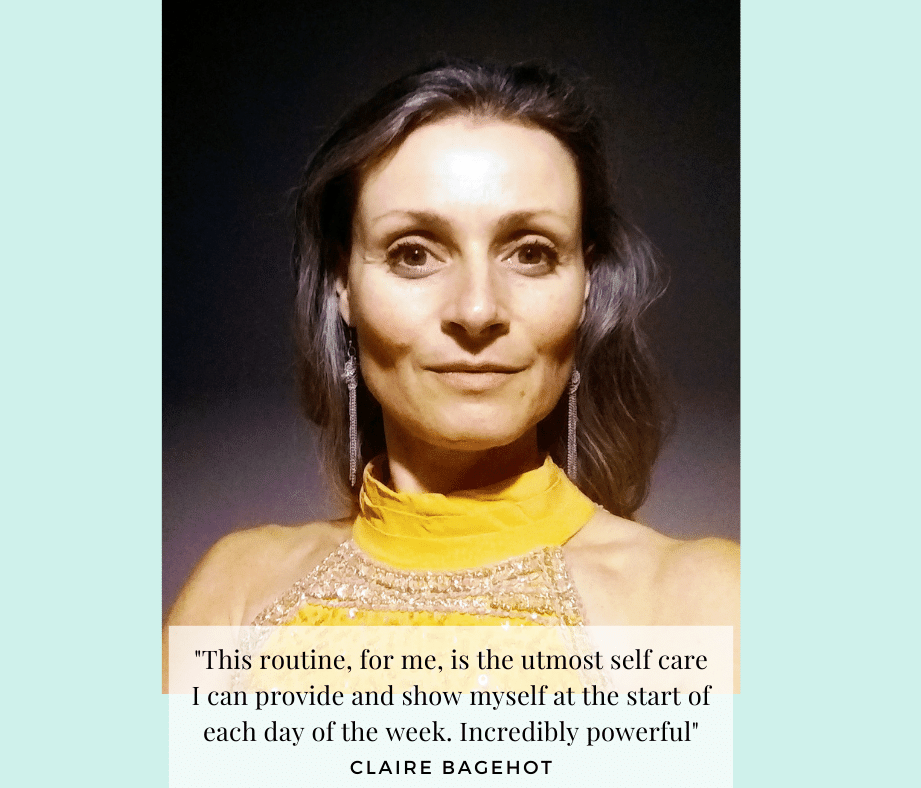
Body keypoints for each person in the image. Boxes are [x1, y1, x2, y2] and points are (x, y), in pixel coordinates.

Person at [164, 59, 739, 689]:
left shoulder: (708, 605)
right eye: (414, 254)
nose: (477, 310)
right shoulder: (237, 589)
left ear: (587, 285)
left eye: (531, 253)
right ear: (341, 285)